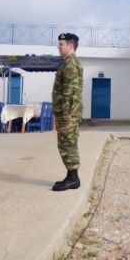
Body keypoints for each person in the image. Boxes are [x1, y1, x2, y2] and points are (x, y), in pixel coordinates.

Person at [52, 33, 83, 192]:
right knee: (67, 144)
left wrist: (66, 112)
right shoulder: (68, 63)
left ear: (70, 45)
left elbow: (70, 90)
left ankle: (73, 178)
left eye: (61, 44)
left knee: (68, 144)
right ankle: (72, 176)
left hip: (68, 113)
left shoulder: (70, 63)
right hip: (67, 112)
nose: (58, 46)